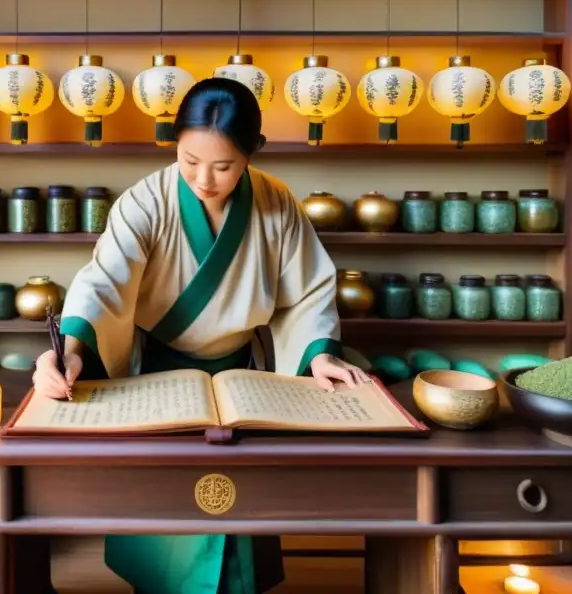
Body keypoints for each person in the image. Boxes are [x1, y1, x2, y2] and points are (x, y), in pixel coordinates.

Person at [32, 76, 369, 594]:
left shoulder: (277, 203)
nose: (204, 180)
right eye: (189, 161)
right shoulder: (144, 203)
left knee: (239, 514)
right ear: (174, 143)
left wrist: (317, 353)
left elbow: (307, 291)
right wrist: (72, 351)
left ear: (252, 153)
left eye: (224, 166)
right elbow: (103, 285)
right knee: (167, 516)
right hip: (161, 375)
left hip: (242, 376)